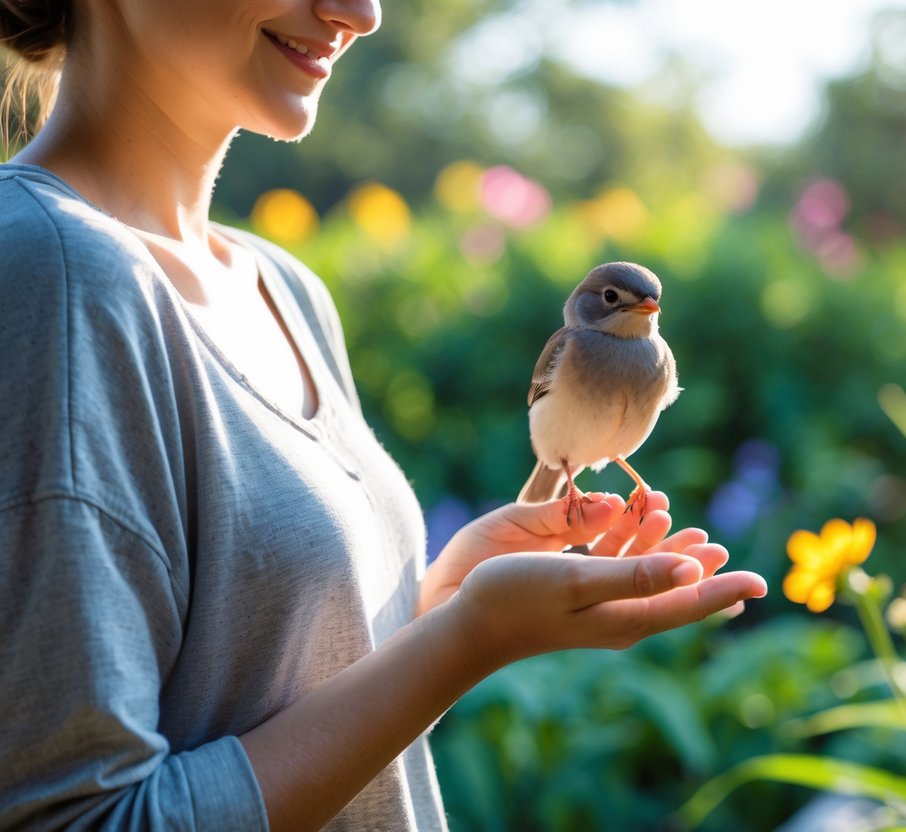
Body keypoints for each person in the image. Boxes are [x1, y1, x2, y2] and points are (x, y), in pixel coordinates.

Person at [0, 0, 767, 829]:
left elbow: (301, 719)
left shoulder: (283, 290)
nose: (360, 13)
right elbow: (74, 820)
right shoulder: (53, 274)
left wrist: (443, 603)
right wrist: (464, 641)